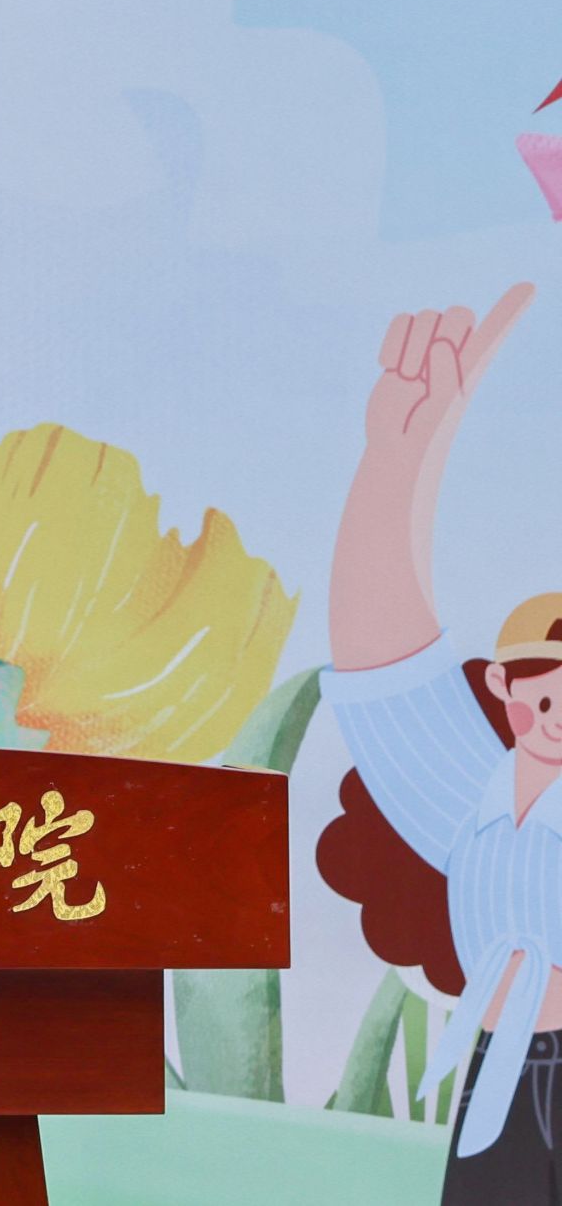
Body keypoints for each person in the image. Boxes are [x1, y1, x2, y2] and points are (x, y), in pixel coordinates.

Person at [316, 284, 559, 1196]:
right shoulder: (474, 797)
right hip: (498, 1065)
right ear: (503, 689)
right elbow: (387, 679)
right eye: (543, 696)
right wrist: (395, 465)